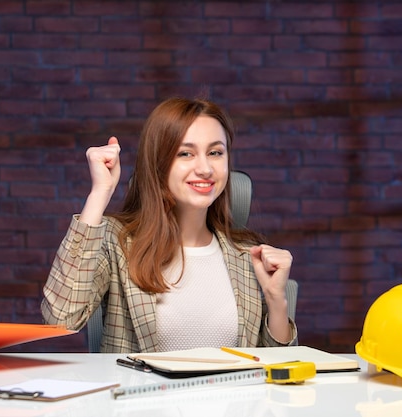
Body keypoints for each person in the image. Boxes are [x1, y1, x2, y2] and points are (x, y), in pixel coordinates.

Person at [41, 97, 298, 353]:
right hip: (141, 393)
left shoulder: (247, 254)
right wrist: (100, 193)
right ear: (158, 164)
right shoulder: (117, 242)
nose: (205, 168)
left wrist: (276, 300)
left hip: (232, 395)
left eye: (215, 153)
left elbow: (276, 368)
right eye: (185, 153)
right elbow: (60, 319)